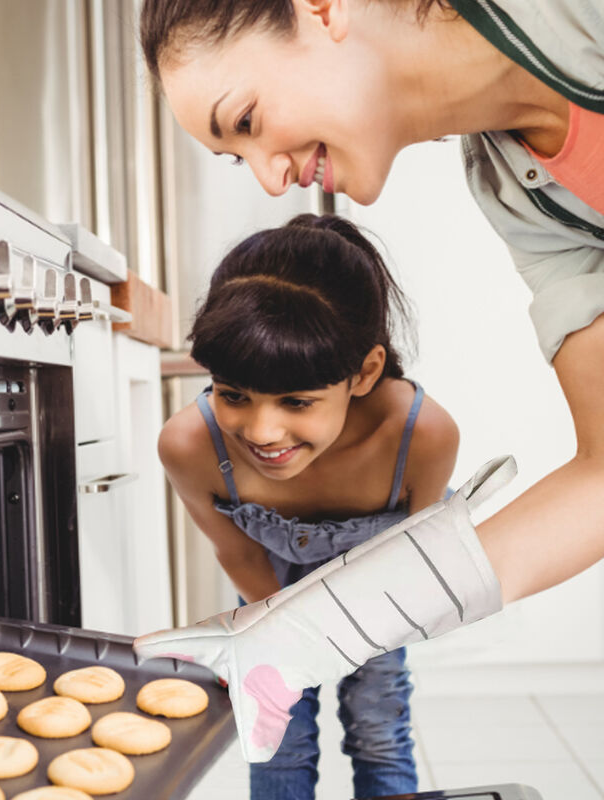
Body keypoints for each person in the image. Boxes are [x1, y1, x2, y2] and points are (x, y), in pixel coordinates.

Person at [134, 0, 604, 769]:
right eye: (234, 158)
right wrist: (311, 628)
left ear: (321, 9)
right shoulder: (518, 193)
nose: (269, 176)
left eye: (246, 119)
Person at [160, 212, 458, 798]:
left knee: (379, 726)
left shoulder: (420, 435)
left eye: (297, 401)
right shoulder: (190, 445)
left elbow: (421, 557)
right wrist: (285, 638)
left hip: (383, 597)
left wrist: (352, 633)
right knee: (277, 738)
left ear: (364, 372)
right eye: (233, 394)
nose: (263, 431)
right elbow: (237, 553)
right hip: (270, 595)